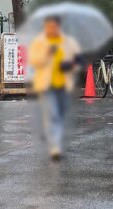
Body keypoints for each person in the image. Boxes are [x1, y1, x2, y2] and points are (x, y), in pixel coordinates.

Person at [27, 16, 81, 161]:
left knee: (61, 113)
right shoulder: (39, 42)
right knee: (53, 114)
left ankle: (49, 132)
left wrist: (71, 66)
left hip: (64, 84)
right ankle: (55, 147)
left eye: (53, 26)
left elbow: (77, 60)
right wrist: (47, 54)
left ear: (58, 26)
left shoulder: (68, 42)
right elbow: (34, 61)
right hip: (46, 85)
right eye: (47, 27)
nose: (50, 29)